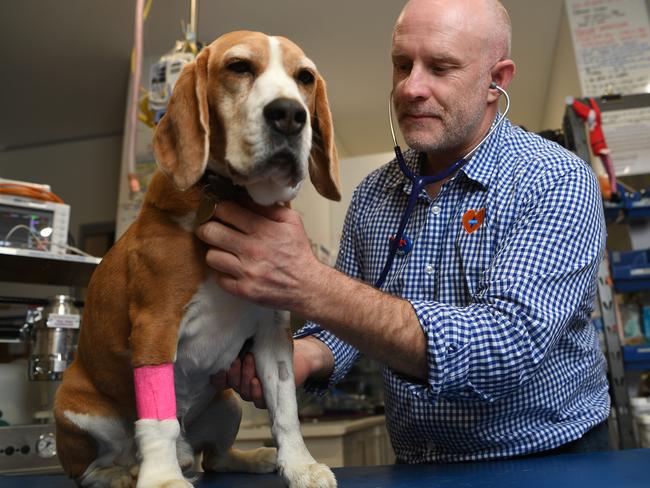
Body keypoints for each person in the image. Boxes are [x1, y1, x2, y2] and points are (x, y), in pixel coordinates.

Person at [196, 0, 610, 463]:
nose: (412, 87)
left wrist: (310, 283)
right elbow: (346, 326)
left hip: (547, 460)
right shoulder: (375, 195)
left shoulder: (555, 179)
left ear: (498, 80)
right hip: (418, 463)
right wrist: (304, 356)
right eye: (402, 65)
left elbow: (504, 347)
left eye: (441, 67)